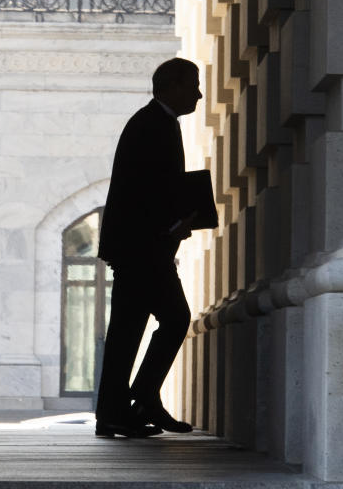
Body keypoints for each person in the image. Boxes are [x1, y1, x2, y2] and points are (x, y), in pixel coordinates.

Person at [94, 57, 203, 438]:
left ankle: (123, 408)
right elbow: (144, 192)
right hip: (142, 250)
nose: (200, 94)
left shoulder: (154, 123)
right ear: (172, 85)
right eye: (194, 85)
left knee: (128, 330)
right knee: (171, 319)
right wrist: (173, 224)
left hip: (140, 247)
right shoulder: (153, 125)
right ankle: (137, 400)